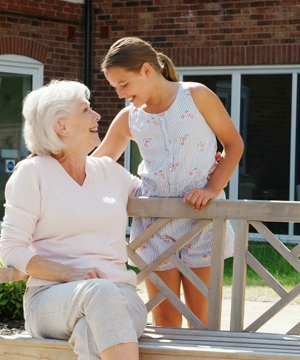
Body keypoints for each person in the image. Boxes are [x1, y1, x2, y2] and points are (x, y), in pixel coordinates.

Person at [93, 37, 244, 328]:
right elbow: (98, 163)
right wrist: (51, 158)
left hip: (201, 219)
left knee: (204, 322)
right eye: (115, 88)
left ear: (147, 70)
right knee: (165, 323)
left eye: (124, 84)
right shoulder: (129, 117)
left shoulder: (196, 96)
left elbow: (233, 144)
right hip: (153, 224)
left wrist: (212, 189)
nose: (121, 94)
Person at [0, 79, 147, 360]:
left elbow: (159, 193)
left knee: (91, 329)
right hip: (52, 299)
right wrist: (73, 274)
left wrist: (205, 170)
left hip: (122, 297)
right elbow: (11, 249)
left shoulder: (110, 172)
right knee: (98, 293)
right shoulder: (33, 173)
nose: (97, 116)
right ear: (61, 126)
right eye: (86, 110)